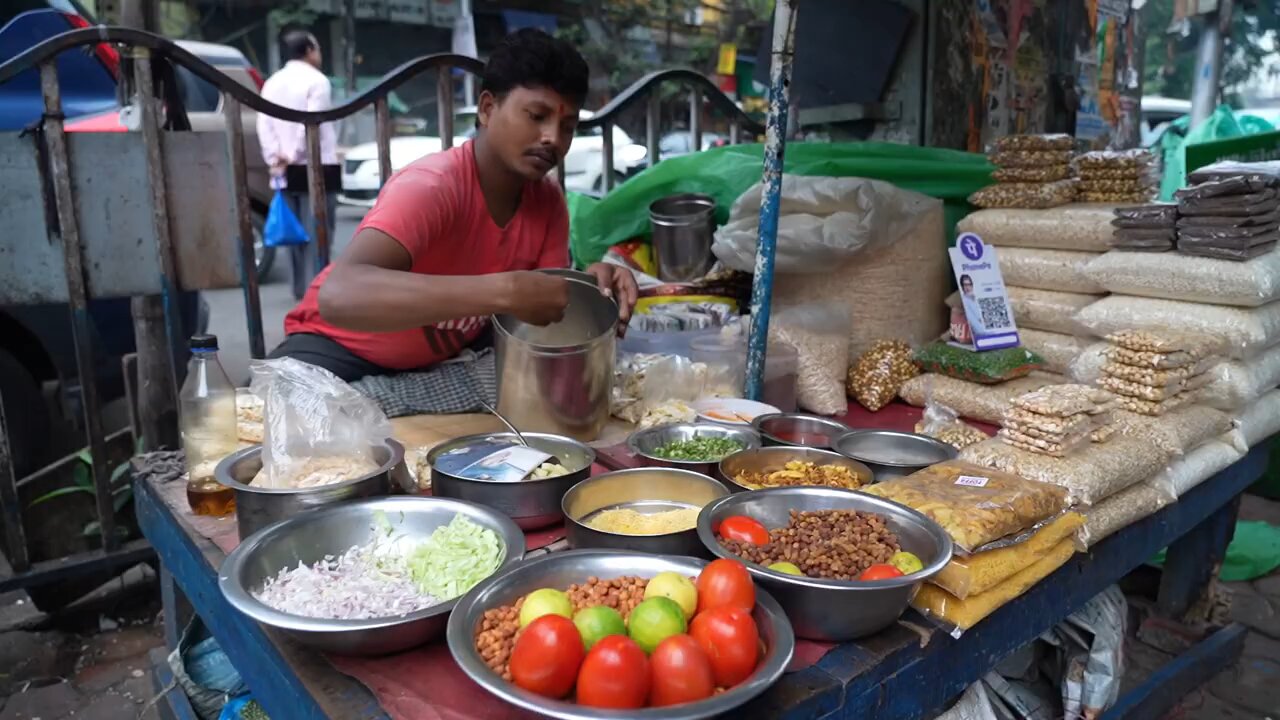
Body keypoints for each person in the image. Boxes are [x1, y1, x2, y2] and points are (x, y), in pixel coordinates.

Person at [269, 29, 638, 382]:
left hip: (439, 358)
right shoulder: (433, 186)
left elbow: (542, 317)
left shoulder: (547, 201)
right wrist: (504, 290)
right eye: (536, 116)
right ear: (488, 108)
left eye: (568, 126)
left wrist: (590, 287)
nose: (552, 138)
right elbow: (340, 295)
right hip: (336, 349)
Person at [257, 28, 341, 300]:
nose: (319, 54)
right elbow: (312, 123)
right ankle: (318, 294)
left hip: (283, 169)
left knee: (294, 236)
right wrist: (294, 153)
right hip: (318, 166)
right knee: (319, 232)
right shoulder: (317, 81)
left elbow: (264, 122)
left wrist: (276, 156)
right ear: (308, 51)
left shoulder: (272, 82)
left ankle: (299, 293)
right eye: (317, 48)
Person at [957, 273, 989, 337]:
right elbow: (974, 323)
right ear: (962, 286)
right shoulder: (964, 301)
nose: (967, 287)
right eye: (965, 285)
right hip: (981, 332)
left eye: (969, 284)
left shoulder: (977, 297)